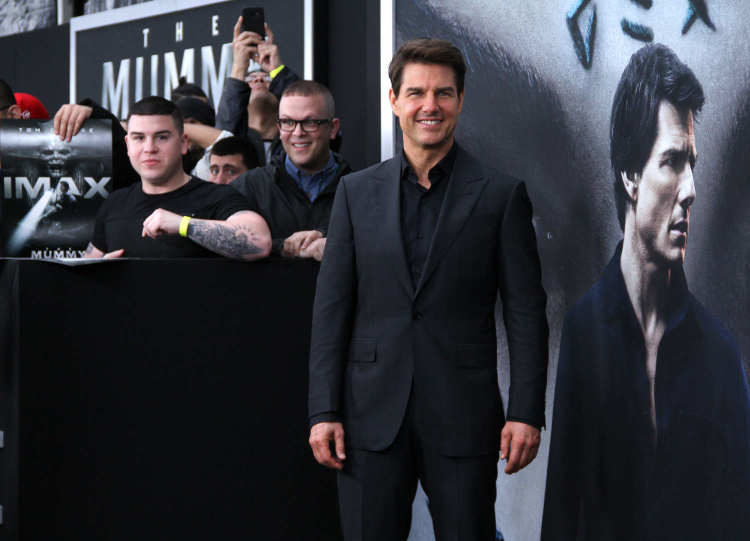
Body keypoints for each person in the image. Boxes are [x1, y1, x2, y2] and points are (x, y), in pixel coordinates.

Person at [307, 38, 549, 540]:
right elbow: (331, 310)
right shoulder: (355, 193)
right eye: (416, 93)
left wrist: (526, 411)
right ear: (394, 100)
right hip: (368, 417)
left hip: (464, 415)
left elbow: (526, 313)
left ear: (460, 100)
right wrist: (323, 410)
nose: (429, 106)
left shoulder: (501, 195)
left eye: (443, 93)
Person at [541, 44, 750, 541]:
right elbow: (562, 512)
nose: (690, 188)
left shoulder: (719, 355)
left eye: (691, 163)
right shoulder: (585, 334)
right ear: (631, 175)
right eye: (672, 161)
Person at [81, 96, 271, 260]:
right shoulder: (115, 203)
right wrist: (100, 271)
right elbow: (84, 272)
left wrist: (184, 225)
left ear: (183, 143)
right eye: (139, 138)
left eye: (162, 137)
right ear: (128, 145)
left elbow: (260, 243)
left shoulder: (217, 197)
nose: (149, 148)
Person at [231, 80, 350, 261]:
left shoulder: (359, 190)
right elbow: (226, 244)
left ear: (333, 128)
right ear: (279, 128)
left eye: (310, 122)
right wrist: (282, 247)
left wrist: (329, 239)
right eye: (288, 122)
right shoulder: (250, 186)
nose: (298, 132)